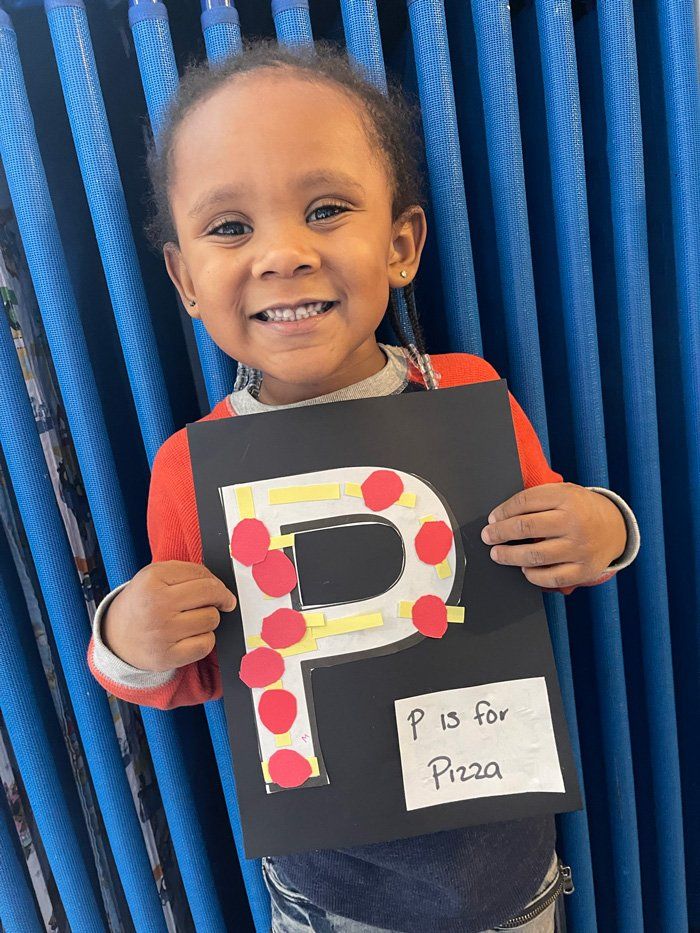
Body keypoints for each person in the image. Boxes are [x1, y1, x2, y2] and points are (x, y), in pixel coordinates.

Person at [87, 40, 639, 933]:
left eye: (326, 209)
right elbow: (196, 669)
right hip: (326, 902)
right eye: (230, 227)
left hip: (512, 877)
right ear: (185, 279)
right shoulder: (191, 465)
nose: (282, 253)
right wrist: (130, 635)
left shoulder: (467, 395)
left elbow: (557, 553)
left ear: (401, 244)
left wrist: (599, 528)